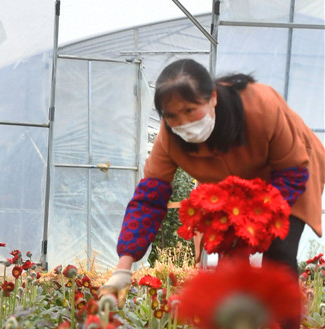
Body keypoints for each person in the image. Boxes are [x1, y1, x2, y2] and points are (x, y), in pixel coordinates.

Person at [100, 59, 324, 294]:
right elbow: (148, 200)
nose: (183, 123)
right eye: (172, 116)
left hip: (289, 175)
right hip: (230, 191)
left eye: (189, 110)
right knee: (228, 256)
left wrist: (253, 222)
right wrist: (122, 270)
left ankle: (281, 322)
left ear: (213, 98)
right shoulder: (168, 139)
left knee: (278, 252)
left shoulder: (261, 106)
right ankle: (235, 324)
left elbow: (292, 172)